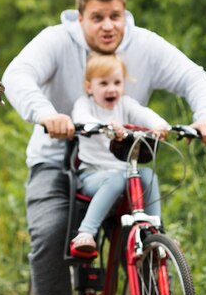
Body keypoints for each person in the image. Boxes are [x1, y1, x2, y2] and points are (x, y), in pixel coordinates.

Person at [2, 0, 206, 295]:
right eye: (97, 18)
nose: (108, 26)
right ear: (80, 20)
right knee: (50, 234)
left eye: (115, 17)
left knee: (147, 238)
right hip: (55, 162)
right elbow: (17, 75)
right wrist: (46, 114)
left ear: (124, 15)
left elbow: (193, 76)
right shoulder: (57, 41)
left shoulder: (145, 45)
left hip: (123, 162)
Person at [70, 52, 169, 253]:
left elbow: (146, 114)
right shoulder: (84, 105)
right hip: (93, 175)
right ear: (90, 87)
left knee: (149, 175)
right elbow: (82, 119)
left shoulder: (126, 104)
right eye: (104, 83)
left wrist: (159, 126)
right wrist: (105, 126)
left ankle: (155, 232)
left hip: (126, 173)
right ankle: (86, 232)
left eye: (117, 82)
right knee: (116, 179)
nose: (112, 89)